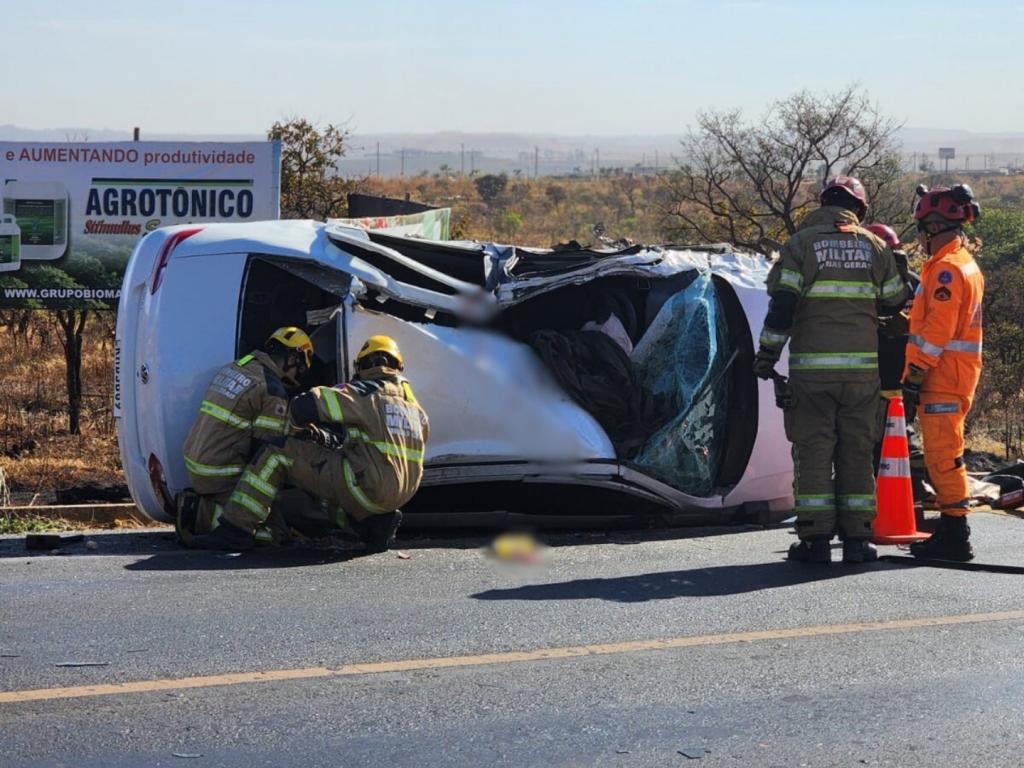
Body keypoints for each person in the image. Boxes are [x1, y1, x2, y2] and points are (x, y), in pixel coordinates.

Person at [753, 176, 909, 564]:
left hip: (813, 375)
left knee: (814, 452)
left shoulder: (801, 245)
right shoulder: (873, 245)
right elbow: (894, 302)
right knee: (857, 451)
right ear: (859, 209)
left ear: (823, 204)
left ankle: (815, 541)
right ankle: (858, 541)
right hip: (862, 377)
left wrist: (767, 355)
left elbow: (782, 306)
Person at [193, 335, 429, 553]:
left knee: (279, 452)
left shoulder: (364, 391)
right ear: (399, 366)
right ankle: (372, 525)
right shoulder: (416, 410)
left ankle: (235, 530)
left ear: (363, 367)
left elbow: (304, 406)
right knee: (327, 472)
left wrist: (296, 423)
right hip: (399, 496)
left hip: (364, 487)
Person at [902, 184, 984, 561]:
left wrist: (915, 375)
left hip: (942, 378)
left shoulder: (948, 270)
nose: (919, 236)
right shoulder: (956, 263)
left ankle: (956, 535)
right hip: (950, 375)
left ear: (934, 228)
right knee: (944, 451)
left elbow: (938, 332)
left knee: (943, 454)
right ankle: (953, 529)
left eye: (922, 228)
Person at [176, 326, 314, 545]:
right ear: (292, 359)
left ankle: (209, 506)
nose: (299, 377)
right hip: (220, 474)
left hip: (197, 463)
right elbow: (265, 451)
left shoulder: (236, 368)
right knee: (275, 533)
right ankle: (201, 515)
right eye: (302, 369)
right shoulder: (272, 391)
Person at [866, 224, 929, 504]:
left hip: (878, 374)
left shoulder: (867, 284)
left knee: (876, 440)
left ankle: (897, 494)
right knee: (902, 434)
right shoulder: (914, 282)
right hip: (905, 374)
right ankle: (912, 491)